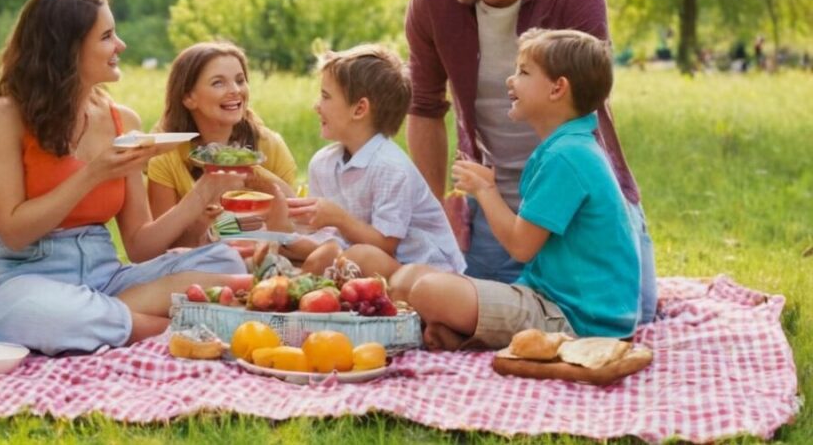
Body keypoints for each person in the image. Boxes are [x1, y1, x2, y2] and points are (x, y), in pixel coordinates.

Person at [404, 0, 656, 323]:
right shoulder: (433, 2)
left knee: (633, 314)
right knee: (445, 301)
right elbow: (425, 108)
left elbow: (587, 99)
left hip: (577, 202)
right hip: (496, 203)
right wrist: (435, 215)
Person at [0, 0, 249, 355]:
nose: (121, 46)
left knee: (223, 259)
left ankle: (115, 316)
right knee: (40, 313)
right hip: (25, 276)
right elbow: (15, 232)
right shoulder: (2, 116)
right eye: (107, 36)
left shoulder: (122, 121)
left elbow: (140, 246)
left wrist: (203, 193)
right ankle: (169, 328)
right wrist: (92, 174)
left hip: (105, 278)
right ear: (67, 48)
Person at [391, 29, 641, 350]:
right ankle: (457, 334)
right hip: (552, 300)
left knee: (426, 291)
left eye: (523, 72)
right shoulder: (568, 147)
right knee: (408, 279)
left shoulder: (567, 157)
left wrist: (485, 189)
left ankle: (458, 330)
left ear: (558, 88)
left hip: (578, 321)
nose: (511, 81)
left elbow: (522, 247)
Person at [285, 44, 465, 278]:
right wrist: (282, 239)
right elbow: (329, 240)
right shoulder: (323, 163)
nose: (316, 106)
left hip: (428, 274)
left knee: (360, 257)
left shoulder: (391, 167)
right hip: (366, 261)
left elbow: (385, 245)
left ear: (359, 109)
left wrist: (338, 218)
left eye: (326, 96)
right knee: (314, 253)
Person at [147, 41, 298, 248]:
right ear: (188, 97)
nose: (235, 90)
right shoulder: (167, 157)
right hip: (200, 262)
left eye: (240, 80)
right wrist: (201, 220)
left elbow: (296, 220)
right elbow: (163, 247)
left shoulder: (269, 145)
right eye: (218, 83)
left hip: (268, 253)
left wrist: (248, 169)